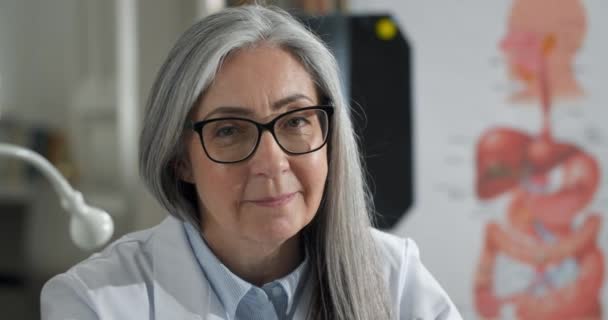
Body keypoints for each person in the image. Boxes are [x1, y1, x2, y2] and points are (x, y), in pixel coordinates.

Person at [41, 5, 462, 320]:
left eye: (296, 120)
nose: (272, 163)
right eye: (229, 130)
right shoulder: (94, 301)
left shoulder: (396, 277)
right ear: (179, 160)